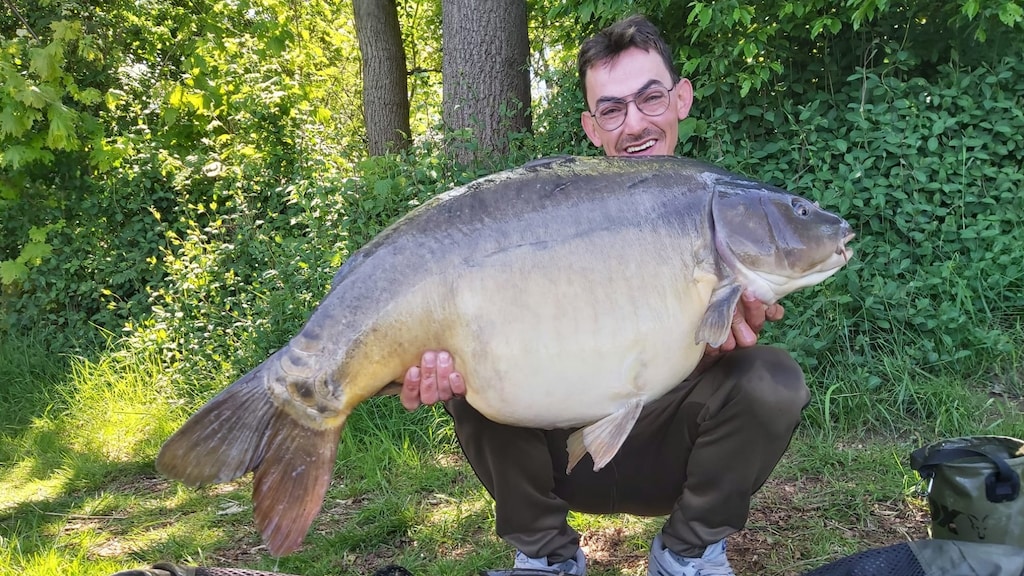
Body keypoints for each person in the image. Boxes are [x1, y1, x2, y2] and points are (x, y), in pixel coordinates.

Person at [400, 14, 809, 576]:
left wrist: (719, 343)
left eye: (651, 98)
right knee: (470, 382)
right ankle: (546, 558)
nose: (635, 123)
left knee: (772, 380)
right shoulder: (550, 211)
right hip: (557, 450)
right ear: (592, 128)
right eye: (613, 109)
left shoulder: (715, 203)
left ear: (682, 98)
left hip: (665, 449)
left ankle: (688, 554)